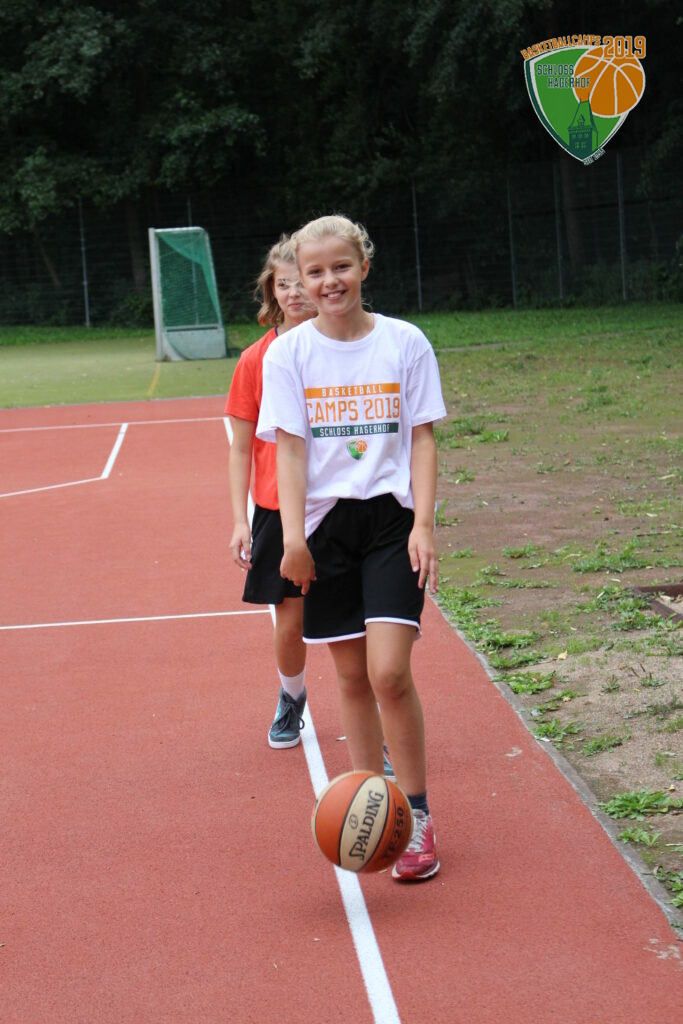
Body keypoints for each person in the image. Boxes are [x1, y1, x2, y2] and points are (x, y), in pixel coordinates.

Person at [257, 215, 447, 882]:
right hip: (323, 527)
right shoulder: (288, 355)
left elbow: (422, 437)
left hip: (392, 522)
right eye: (314, 272)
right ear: (299, 281)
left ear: (364, 266)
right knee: (350, 677)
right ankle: (375, 809)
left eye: (340, 266)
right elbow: (289, 450)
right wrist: (292, 540)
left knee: (388, 673)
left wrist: (424, 523)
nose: (328, 281)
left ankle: (416, 814)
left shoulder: (404, 342)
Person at [225, 236, 315, 748]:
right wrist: (241, 519)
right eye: (284, 284)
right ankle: (291, 696)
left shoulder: (342, 349)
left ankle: (377, 714)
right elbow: (241, 448)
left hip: (339, 502)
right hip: (278, 507)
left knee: (356, 621)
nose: (295, 292)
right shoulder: (255, 360)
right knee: (291, 620)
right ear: (272, 291)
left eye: (302, 281)